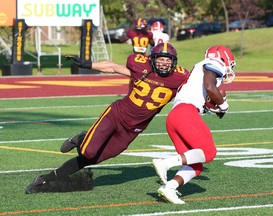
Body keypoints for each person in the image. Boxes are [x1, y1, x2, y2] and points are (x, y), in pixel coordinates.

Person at [25, 42, 190, 194]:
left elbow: (196, 89)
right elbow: (112, 67)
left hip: (133, 130)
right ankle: (82, 137)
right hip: (116, 115)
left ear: (174, 62)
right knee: (87, 150)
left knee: (92, 158)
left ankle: (46, 179)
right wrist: (86, 64)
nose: (164, 63)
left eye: (168, 60)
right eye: (161, 59)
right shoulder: (141, 68)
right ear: (152, 60)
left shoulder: (179, 78)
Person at [152, 45, 236, 204]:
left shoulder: (198, 71)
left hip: (175, 117)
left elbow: (204, 98)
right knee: (209, 152)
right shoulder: (213, 63)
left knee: (196, 165)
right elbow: (210, 87)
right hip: (185, 113)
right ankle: (165, 163)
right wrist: (223, 105)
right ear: (223, 58)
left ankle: (169, 188)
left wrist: (215, 107)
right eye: (229, 63)